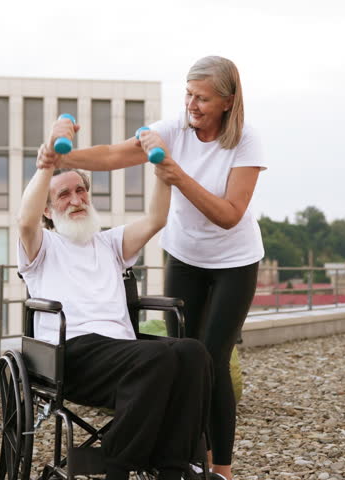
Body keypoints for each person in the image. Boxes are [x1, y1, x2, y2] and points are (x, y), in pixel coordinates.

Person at [43, 56, 264, 480]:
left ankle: (221, 467)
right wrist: (58, 158)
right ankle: (182, 460)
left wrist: (177, 176)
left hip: (234, 260)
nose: (192, 104)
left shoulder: (246, 140)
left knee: (214, 356)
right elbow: (112, 154)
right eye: (188, 94)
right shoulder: (173, 129)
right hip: (184, 255)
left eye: (202, 98)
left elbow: (229, 214)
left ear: (227, 101)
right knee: (186, 359)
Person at [17, 139, 213, 480]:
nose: (76, 199)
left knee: (193, 352)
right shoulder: (42, 247)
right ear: (47, 210)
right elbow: (24, 222)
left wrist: (163, 170)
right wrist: (46, 163)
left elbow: (155, 218)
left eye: (81, 190)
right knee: (157, 358)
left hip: (121, 352)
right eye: (63, 195)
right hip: (72, 353)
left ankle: (173, 468)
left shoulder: (109, 244)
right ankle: (118, 467)